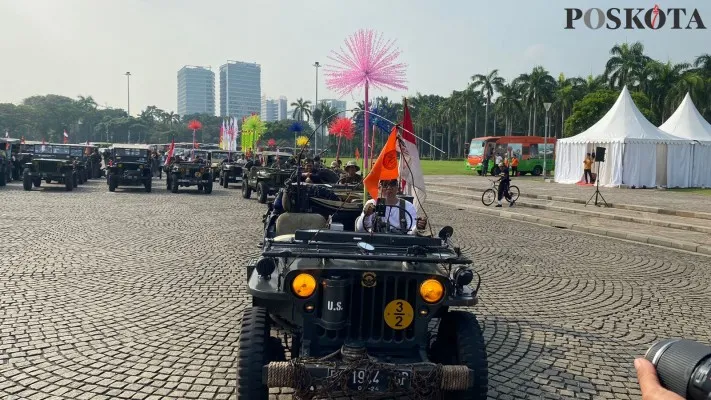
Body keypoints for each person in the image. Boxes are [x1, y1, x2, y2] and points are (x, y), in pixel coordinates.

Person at [356, 178, 427, 235]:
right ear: (379, 188)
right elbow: (361, 229)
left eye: (392, 184)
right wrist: (367, 215)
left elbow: (411, 232)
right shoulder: (372, 203)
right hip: (377, 244)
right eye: (385, 184)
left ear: (398, 188)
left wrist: (417, 227)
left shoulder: (408, 206)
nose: (389, 188)